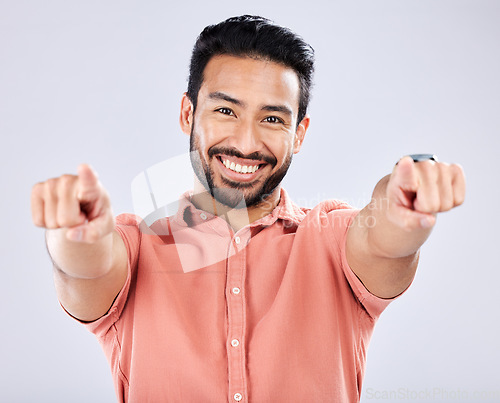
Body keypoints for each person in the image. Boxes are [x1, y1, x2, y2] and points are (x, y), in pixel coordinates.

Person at [30, 15, 465, 403]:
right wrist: (71, 232)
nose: (246, 142)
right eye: (225, 110)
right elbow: (88, 265)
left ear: (299, 134)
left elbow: (382, 237)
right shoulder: (138, 247)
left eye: (272, 119)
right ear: (188, 113)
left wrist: (401, 206)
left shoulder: (331, 241)